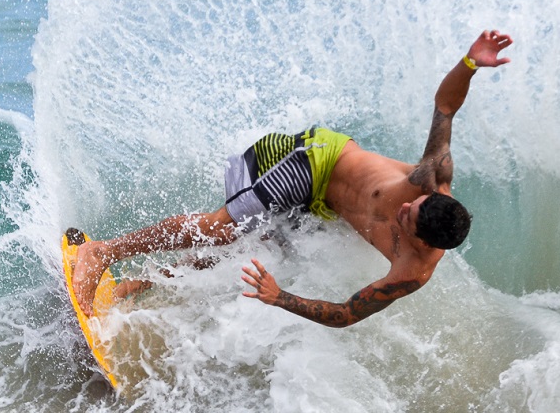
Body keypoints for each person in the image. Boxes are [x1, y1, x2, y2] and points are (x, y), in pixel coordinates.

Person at [71, 29, 513, 328]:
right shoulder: (431, 175)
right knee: (223, 230)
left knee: (243, 253)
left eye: (408, 217)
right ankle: (102, 252)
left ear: (423, 241)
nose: (403, 206)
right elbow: (446, 106)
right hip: (315, 161)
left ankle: (133, 287)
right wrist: (470, 64)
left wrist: (280, 296)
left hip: (319, 209)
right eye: (411, 202)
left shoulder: (410, 273)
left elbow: (345, 314)